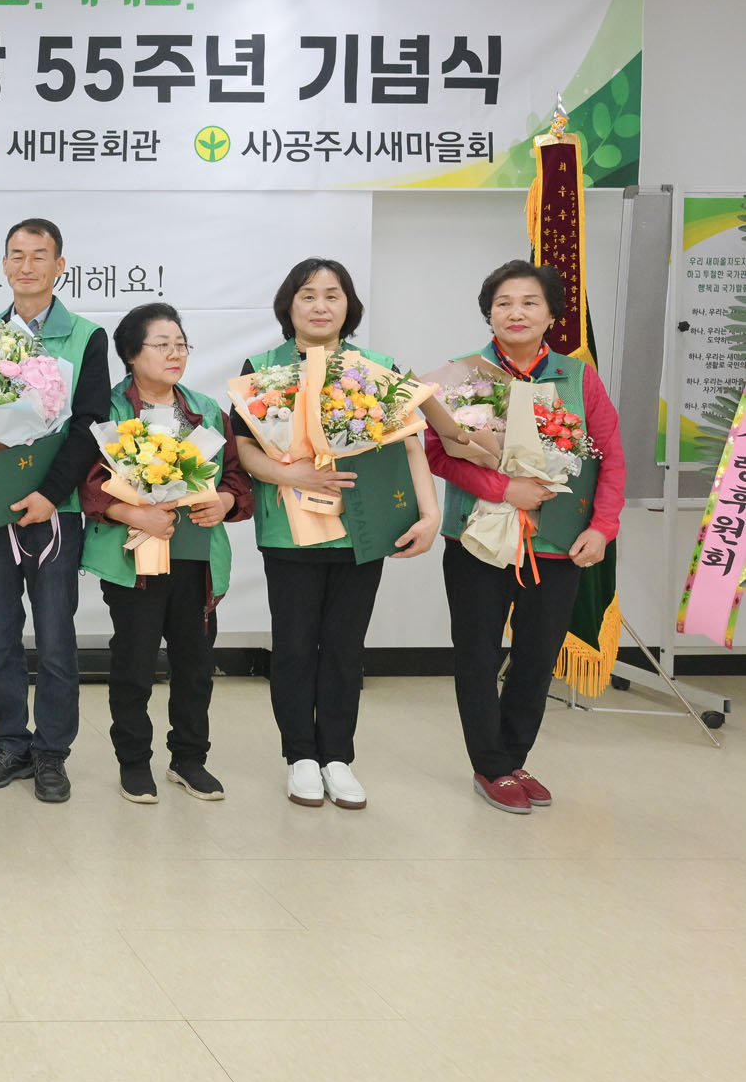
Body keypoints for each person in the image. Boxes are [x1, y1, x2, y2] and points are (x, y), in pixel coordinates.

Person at [231, 258, 439, 811]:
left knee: (346, 647)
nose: (320, 306)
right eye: (308, 295)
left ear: (350, 305)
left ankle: (338, 757)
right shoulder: (263, 368)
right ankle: (301, 755)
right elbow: (244, 447)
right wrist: (290, 474)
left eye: (332, 295)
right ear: (288, 305)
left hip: (363, 526)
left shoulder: (377, 368)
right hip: (290, 529)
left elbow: (411, 444)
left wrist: (429, 515)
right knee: (295, 645)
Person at [426, 260, 623, 814]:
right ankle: (490, 765)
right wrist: (503, 487)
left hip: (557, 543)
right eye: (504, 303)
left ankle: (513, 758)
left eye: (530, 302)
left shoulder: (578, 376)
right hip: (477, 542)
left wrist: (603, 528)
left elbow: (611, 457)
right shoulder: (463, 375)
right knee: (477, 656)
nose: (516, 312)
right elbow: (440, 453)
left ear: (552, 315)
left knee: (537, 659)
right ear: (489, 313)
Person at [80, 304, 252, 804]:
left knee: (195, 665)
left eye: (181, 344)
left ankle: (189, 759)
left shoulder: (205, 409)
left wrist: (225, 501)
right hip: (132, 558)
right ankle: (134, 762)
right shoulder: (109, 410)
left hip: (196, 556)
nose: (175, 353)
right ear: (131, 354)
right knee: (134, 665)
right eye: (162, 344)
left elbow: (235, 476)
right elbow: (89, 483)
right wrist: (135, 514)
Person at [0, 218, 111, 804]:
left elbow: (90, 423)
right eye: (16, 255)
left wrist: (50, 492)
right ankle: (9, 744)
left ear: (60, 266)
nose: (26, 266)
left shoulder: (86, 336)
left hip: (57, 507)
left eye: (39, 255)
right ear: (3, 264)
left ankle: (52, 751)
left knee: (54, 640)